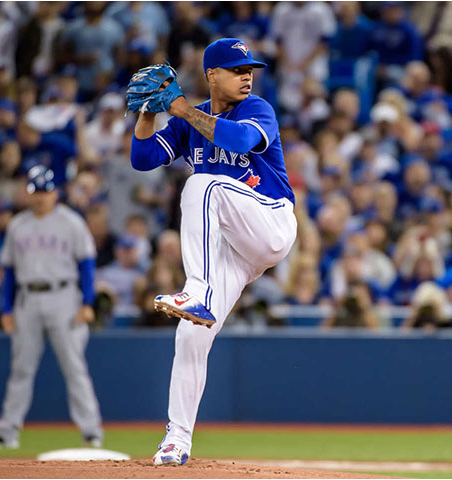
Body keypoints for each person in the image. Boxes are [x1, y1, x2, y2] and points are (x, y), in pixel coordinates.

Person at [127, 38, 297, 465]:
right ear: (211, 75)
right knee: (190, 334)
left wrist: (180, 108)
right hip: (232, 248)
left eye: (249, 69)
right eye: (237, 69)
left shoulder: (258, 110)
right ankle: (176, 440)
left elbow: (240, 141)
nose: (246, 75)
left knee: (202, 184)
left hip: (270, 221)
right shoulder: (189, 123)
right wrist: (147, 113)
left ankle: (198, 289)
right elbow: (143, 158)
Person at [0, 166, 103, 449]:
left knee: (74, 367)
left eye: (45, 191)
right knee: (21, 369)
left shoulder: (71, 222)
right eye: (36, 191)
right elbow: (10, 271)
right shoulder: (17, 225)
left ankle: (91, 430)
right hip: (27, 299)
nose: (40, 197)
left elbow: (86, 264)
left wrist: (88, 302)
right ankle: (7, 431)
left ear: (55, 193)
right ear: (29, 194)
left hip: (64, 297)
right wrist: (6, 308)